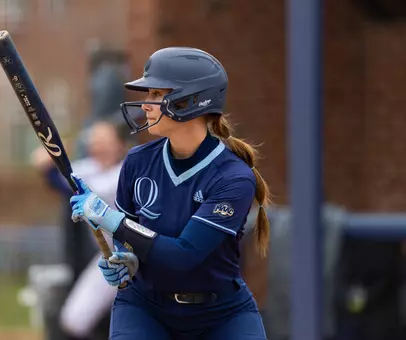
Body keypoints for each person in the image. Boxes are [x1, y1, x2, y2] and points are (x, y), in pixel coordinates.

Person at [69, 47, 271, 339]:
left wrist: (107, 217)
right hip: (145, 307)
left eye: (155, 94)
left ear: (191, 101)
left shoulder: (233, 178)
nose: (146, 105)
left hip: (221, 314)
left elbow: (182, 256)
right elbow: (129, 240)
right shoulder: (138, 161)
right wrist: (126, 259)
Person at [32, 120, 129, 340]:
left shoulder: (124, 172)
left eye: (105, 142)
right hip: (110, 257)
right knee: (74, 320)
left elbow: (76, 189)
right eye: (95, 142)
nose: (99, 147)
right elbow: (59, 178)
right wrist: (47, 161)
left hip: (138, 255)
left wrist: (50, 165)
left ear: (120, 145)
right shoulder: (91, 168)